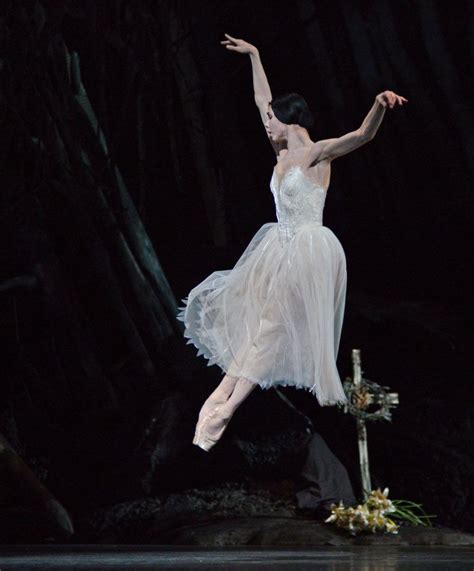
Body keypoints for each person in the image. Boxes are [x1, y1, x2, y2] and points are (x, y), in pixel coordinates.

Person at [177, 33, 408, 452]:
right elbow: (260, 98)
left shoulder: (317, 153)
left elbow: (361, 136)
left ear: (289, 119)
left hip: (308, 248)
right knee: (259, 324)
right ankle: (221, 399)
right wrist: (255, 56)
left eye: (272, 117)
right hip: (277, 247)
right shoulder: (280, 155)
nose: (266, 122)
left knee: (271, 326)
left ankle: (226, 405)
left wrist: (379, 104)